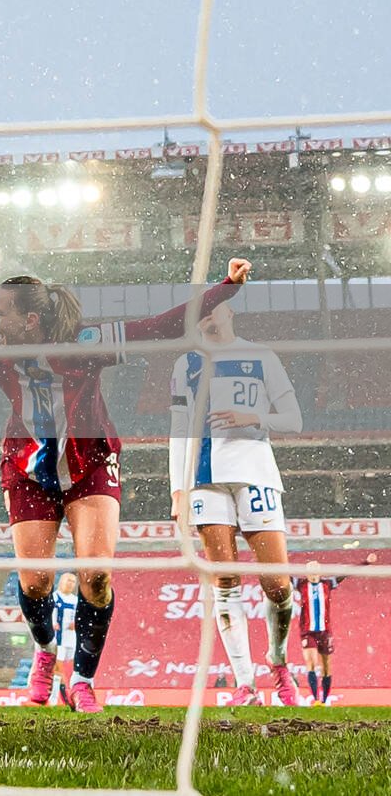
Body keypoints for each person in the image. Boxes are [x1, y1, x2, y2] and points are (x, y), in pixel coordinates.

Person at [0, 260, 249, 713]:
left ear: (30, 320)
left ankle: (82, 681)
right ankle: (46, 651)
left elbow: (162, 326)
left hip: (90, 464)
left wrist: (227, 287)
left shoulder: (86, 344)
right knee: (35, 583)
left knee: (95, 576)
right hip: (28, 468)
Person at [169, 303, 302, 706]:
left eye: (215, 308)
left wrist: (255, 417)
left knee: (277, 584)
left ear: (229, 312)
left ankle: (278, 661)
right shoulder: (187, 363)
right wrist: (178, 490)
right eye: (202, 309)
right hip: (205, 479)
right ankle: (245, 685)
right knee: (224, 582)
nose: (208, 315)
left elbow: (294, 419)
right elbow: (179, 428)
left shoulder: (261, 356)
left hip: (256, 474)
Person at [297, 563, 343, 704]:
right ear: (306, 574)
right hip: (307, 631)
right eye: (310, 573)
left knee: (326, 667)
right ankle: (316, 700)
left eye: (316, 572)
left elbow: (347, 573)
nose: (313, 575)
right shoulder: (301, 584)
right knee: (311, 663)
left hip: (324, 631)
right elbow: (282, 574)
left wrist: (366, 563)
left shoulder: (327, 584)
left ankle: (324, 700)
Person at [50, 572, 78, 704]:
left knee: (76, 668)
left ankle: (75, 694)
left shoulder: (76, 600)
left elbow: (81, 618)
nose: (71, 584)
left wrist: (77, 623)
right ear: (61, 581)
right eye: (68, 580)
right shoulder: (54, 597)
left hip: (73, 640)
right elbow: (48, 615)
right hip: (58, 640)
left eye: (73, 581)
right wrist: (52, 624)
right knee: (58, 668)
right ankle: (55, 698)